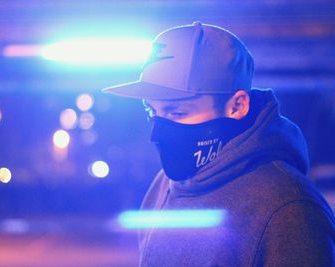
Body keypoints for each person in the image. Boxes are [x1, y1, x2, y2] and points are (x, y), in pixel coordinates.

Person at [103, 21, 335, 266]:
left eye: (177, 113)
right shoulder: (165, 183)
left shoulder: (289, 210)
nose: (158, 131)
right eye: (152, 111)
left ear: (237, 106)